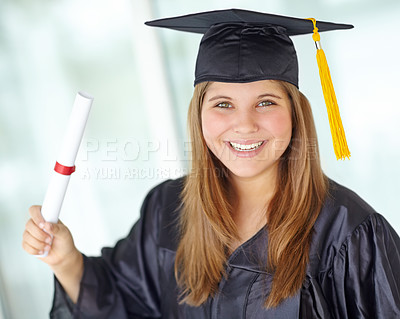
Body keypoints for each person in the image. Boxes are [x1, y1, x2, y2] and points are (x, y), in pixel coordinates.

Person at [22, 9, 400, 319]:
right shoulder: (168, 210)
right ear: (198, 114)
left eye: (266, 102)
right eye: (222, 104)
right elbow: (121, 301)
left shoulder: (351, 234)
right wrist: (66, 259)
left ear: (296, 113)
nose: (245, 124)